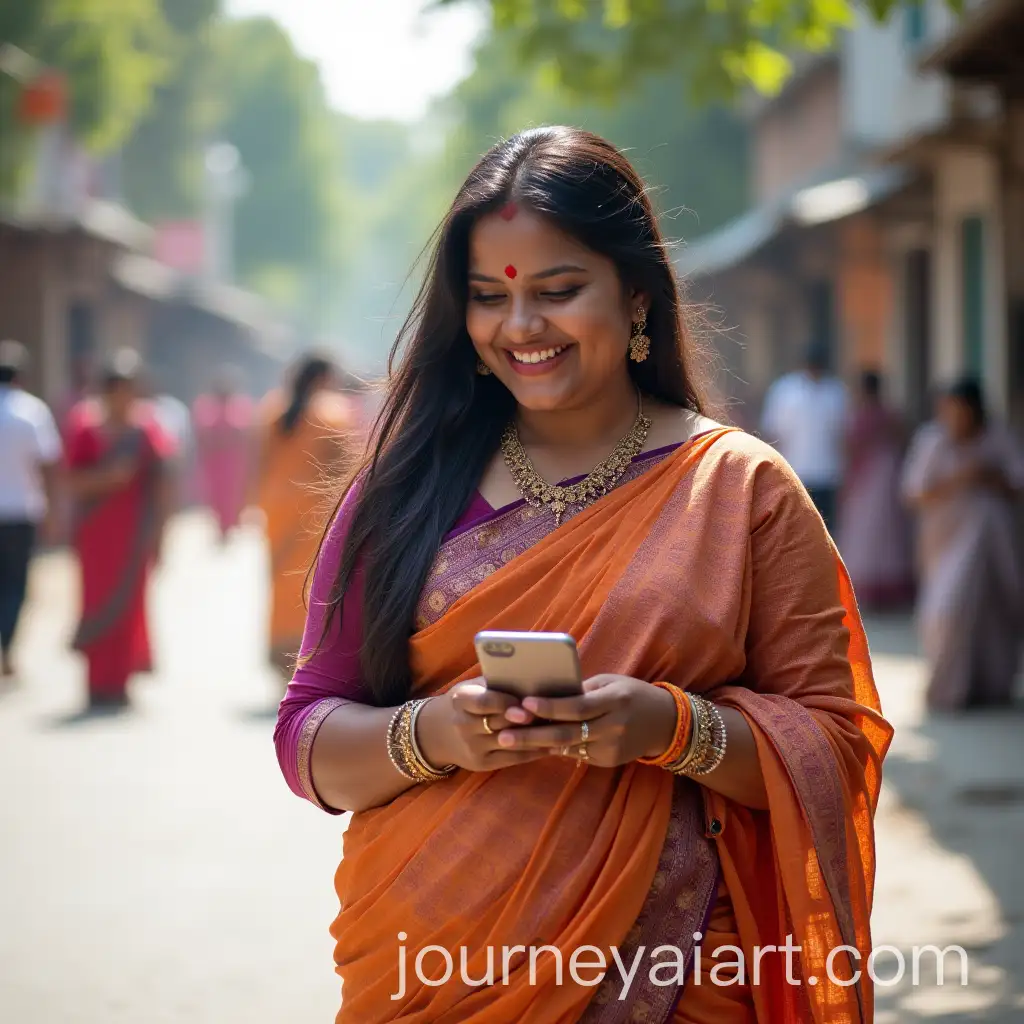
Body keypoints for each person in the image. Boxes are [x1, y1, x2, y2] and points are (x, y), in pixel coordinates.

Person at [273, 127, 891, 1023]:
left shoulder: (740, 489)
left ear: (635, 293)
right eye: (488, 298)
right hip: (432, 970)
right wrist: (435, 734)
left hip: (677, 978)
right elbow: (306, 734)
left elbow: (833, 752)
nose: (521, 328)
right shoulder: (405, 489)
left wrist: (671, 727)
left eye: (559, 291)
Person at [902, 378, 1024, 711]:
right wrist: (958, 479)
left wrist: (987, 476)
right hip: (944, 543)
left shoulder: (997, 437)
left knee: (991, 615)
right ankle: (947, 689)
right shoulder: (933, 440)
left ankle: (989, 687)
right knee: (946, 611)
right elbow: (914, 492)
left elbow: (1017, 481)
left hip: (992, 543)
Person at [65, 349, 176, 711]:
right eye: (117, 389)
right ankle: (97, 683)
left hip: (134, 533)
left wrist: (161, 536)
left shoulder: (147, 429)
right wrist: (108, 479)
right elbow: (73, 481)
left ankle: (123, 680)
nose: (124, 397)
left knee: (130, 605)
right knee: (95, 601)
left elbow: (163, 484)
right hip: (96, 533)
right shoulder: (85, 426)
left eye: (130, 389)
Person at [255, 353, 357, 680]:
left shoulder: (273, 410)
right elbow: (344, 467)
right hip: (313, 511)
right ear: (322, 379)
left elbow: (259, 462)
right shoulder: (333, 413)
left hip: (276, 509)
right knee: (311, 583)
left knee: (280, 583)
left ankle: (279, 656)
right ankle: (305, 660)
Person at [0, 341, 62, 678]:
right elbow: (49, 465)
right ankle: (7, 647)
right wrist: (53, 511)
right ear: (20, 377)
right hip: (21, 514)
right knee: (15, 584)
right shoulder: (31, 412)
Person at [836, 370, 915, 611]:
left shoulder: (859, 417)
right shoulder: (891, 415)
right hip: (888, 476)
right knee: (886, 534)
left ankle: (871, 590)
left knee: (867, 534)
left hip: (869, 479)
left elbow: (851, 449)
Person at [760, 343, 849, 530]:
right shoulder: (786, 391)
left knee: (827, 530)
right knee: (798, 529)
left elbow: (844, 434)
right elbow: (772, 432)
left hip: (828, 472)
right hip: (795, 471)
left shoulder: (836, 392)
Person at [192, 365, 254, 543]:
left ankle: (230, 525)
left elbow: (248, 434)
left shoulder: (241, 406)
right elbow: (201, 435)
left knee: (233, 496)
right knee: (216, 496)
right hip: (214, 463)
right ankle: (221, 527)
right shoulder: (206, 407)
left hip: (234, 463)